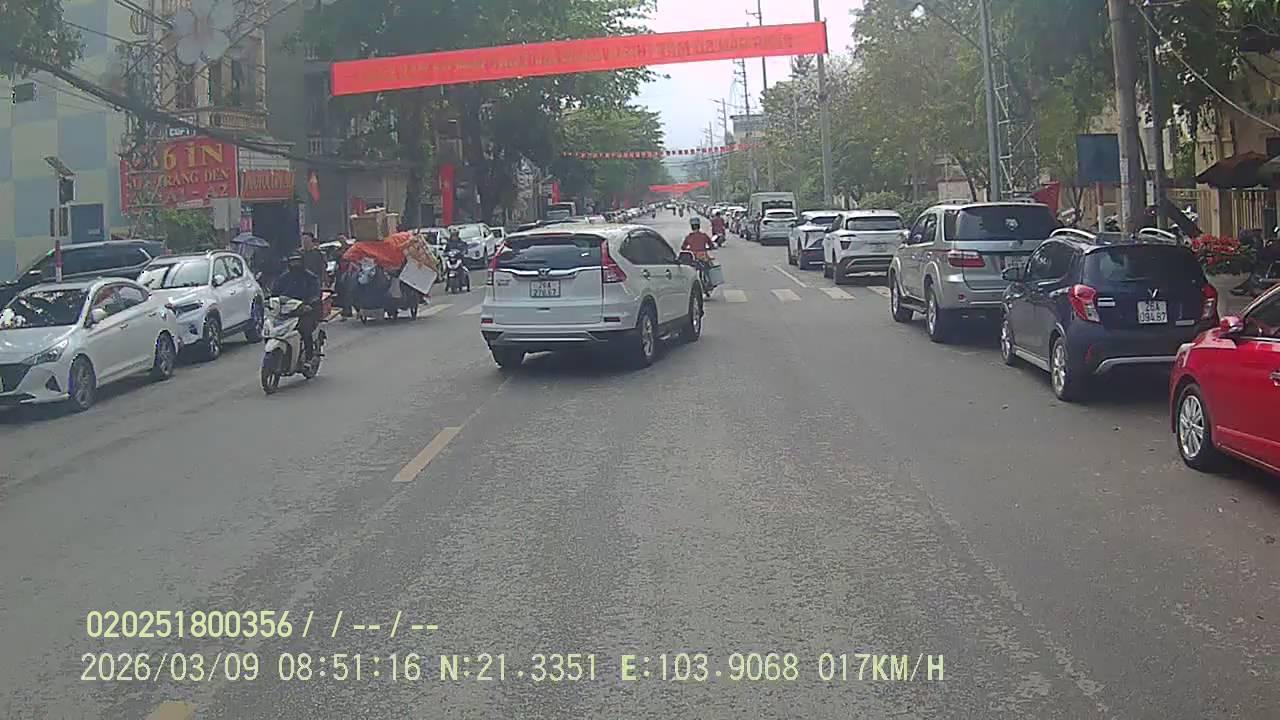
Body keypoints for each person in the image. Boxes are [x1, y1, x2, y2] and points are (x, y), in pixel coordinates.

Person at [272, 253, 323, 361]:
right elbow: (274, 292)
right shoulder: (283, 278)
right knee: (272, 329)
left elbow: (316, 294)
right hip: (286, 311)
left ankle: (309, 357)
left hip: (305, 311)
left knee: (305, 330)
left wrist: (309, 304)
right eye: (292, 262)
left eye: (297, 262)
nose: (295, 264)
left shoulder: (311, 278)